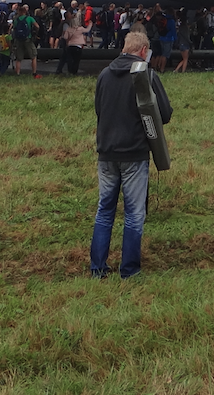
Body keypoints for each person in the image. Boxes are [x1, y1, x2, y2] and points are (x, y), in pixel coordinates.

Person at [90, 31, 172, 279]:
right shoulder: (145, 75)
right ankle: (129, 270)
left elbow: (98, 109)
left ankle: (98, 269)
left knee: (105, 210)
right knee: (134, 213)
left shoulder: (104, 74)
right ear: (144, 51)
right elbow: (165, 113)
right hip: (134, 153)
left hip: (106, 152)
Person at [11, 4, 41, 77]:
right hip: (28, 39)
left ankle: (17, 73)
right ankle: (34, 72)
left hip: (18, 39)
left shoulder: (16, 20)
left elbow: (12, 29)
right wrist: (34, 32)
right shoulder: (29, 18)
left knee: (18, 58)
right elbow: (37, 26)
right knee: (33, 56)